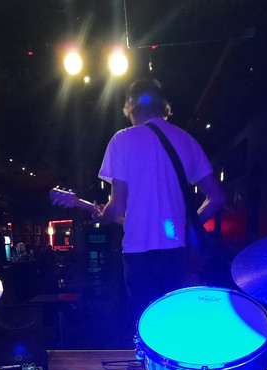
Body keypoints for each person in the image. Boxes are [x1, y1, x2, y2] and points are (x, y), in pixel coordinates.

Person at [94, 78, 226, 320]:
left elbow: (117, 207)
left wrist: (102, 215)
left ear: (131, 106)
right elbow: (217, 197)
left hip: (138, 253)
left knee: (146, 325)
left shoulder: (122, 139)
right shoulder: (187, 141)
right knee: (172, 323)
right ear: (163, 106)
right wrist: (188, 224)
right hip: (176, 251)